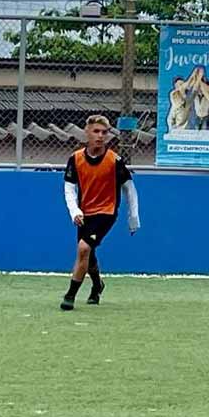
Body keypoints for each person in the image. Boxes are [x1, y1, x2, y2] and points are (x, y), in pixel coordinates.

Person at [61, 114, 141, 310]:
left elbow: (129, 188)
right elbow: (69, 187)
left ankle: (70, 296)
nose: (100, 136)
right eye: (96, 131)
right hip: (84, 213)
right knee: (88, 254)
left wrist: (133, 218)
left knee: (83, 249)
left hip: (106, 212)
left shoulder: (115, 161)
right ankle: (97, 285)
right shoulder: (76, 158)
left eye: (104, 132)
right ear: (87, 132)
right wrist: (75, 211)